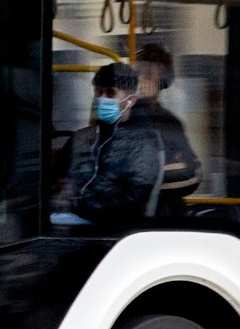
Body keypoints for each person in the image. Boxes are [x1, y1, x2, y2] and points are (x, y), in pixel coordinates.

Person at [55, 62, 169, 226]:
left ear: (130, 101)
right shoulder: (80, 138)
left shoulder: (143, 144)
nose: (102, 99)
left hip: (110, 228)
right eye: (98, 92)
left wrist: (80, 205)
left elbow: (133, 198)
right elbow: (57, 179)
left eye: (110, 93)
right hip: (69, 220)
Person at [131, 42, 203, 217]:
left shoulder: (171, 123)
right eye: (137, 73)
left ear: (162, 80)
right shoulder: (122, 119)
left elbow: (191, 172)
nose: (142, 79)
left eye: (148, 74)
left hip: (167, 214)